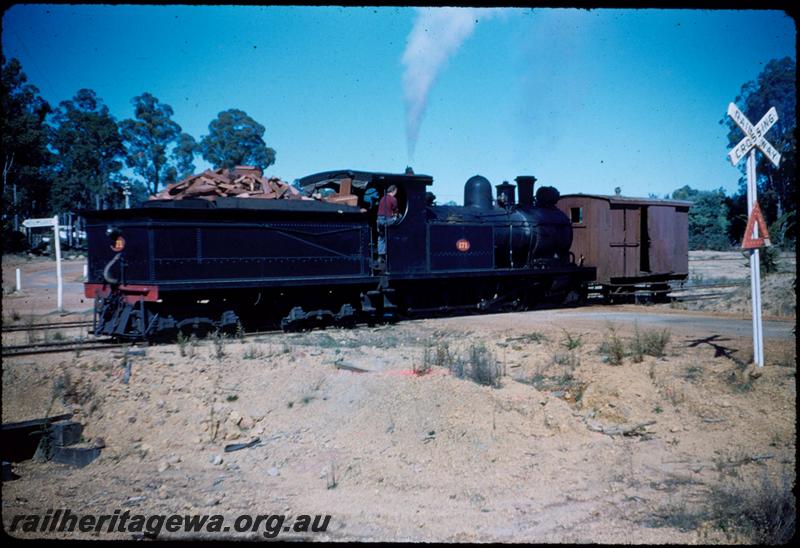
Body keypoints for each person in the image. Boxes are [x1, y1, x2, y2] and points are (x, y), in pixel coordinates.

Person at [376, 185, 399, 263]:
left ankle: (380, 255)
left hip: (379, 220)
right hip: (387, 220)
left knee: (381, 238)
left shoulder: (382, 198)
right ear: (394, 191)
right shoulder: (393, 199)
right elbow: (395, 210)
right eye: (396, 191)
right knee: (398, 220)